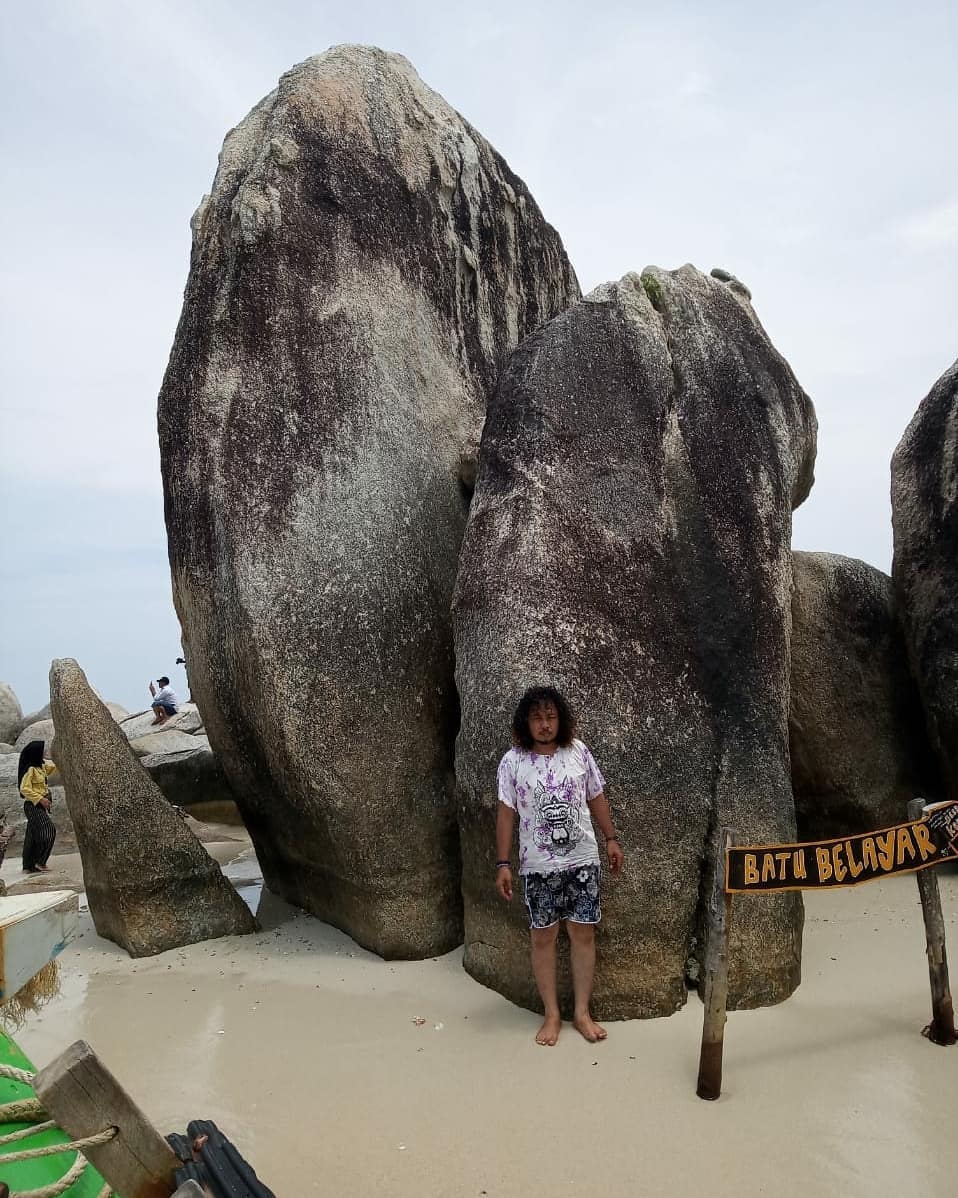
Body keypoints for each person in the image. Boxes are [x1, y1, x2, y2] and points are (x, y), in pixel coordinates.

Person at [495, 685, 624, 1047]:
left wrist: (611, 838)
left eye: (551, 717)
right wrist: (503, 863)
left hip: (582, 860)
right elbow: (506, 813)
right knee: (543, 936)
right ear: (526, 722)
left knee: (583, 932)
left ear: (561, 720)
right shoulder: (512, 762)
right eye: (537, 717)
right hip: (536, 867)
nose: (545, 724)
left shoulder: (578, 752)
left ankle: (582, 1012)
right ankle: (552, 1014)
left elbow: (595, 795)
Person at [17, 740, 57, 873]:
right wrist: (41, 799)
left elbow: (53, 767)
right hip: (32, 806)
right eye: (42, 750)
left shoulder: (41, 766)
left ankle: (28, 865)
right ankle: (40, 862)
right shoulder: (31, 769)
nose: (44, 752)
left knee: (32, 835)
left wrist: (55, 756)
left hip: (40, 805)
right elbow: (24, 789)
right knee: (49, 831)